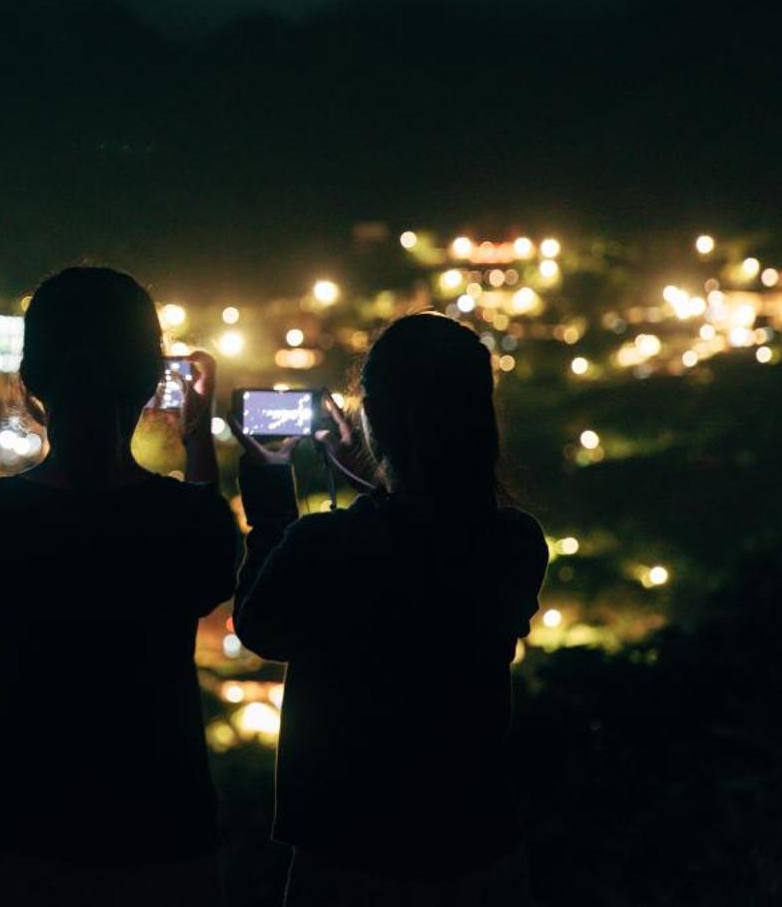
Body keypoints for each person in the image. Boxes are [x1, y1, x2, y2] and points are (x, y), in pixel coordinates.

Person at [230, 311, 548, 906]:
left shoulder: (325, 547)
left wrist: (272, 500)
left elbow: (258, 624)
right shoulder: (515, 543)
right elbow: (419, 539)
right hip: (479, 846)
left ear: (370, 418)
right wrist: (373, 475)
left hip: (349, 854)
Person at [0, 266, 239, 906]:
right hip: (160, 823)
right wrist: (197, 439)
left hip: (12, 818)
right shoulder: (189, 521)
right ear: (148, 384)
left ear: (32, 385)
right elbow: (208, 554)